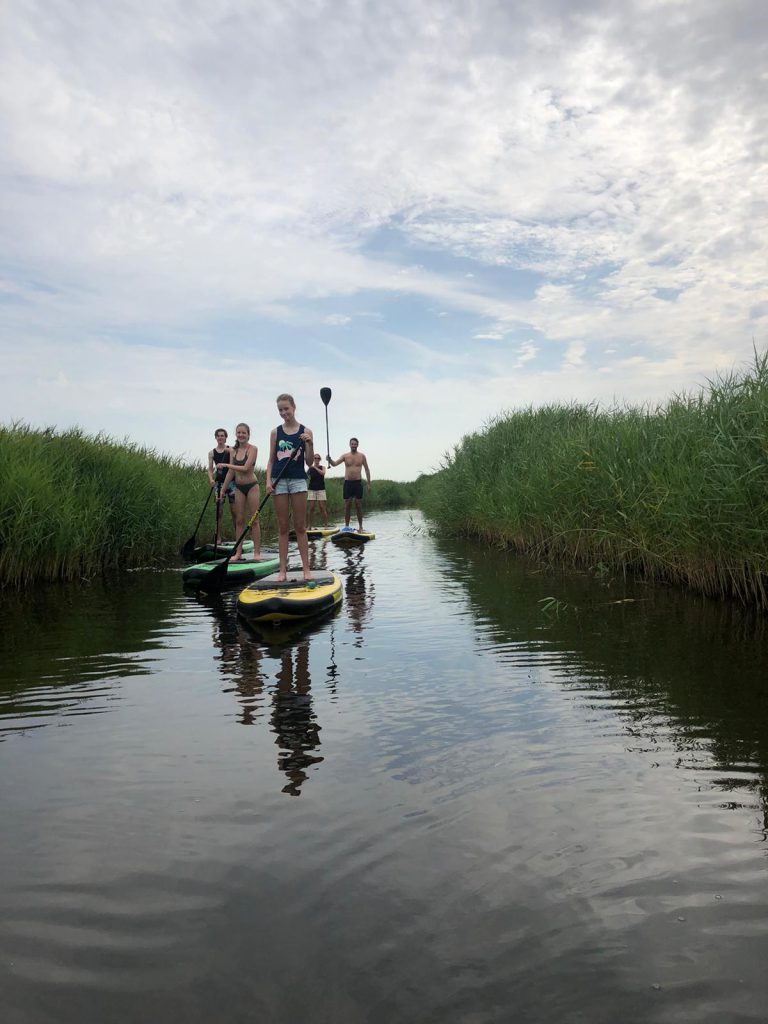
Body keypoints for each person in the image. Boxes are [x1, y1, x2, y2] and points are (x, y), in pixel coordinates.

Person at [265, 394, 314, 581]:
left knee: (300, 527)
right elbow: (271, 460)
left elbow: (309, 462)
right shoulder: (275, 432)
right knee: (283, 527)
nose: (284, 412)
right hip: (279, 480)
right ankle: (283, 571)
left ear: (294, 407)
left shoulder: (306, 431)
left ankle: (306, 570)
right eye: (280, 410)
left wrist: (309, 442)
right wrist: (268, 481)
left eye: (286, 408)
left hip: (298, 480)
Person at [218, 422, 260, 562]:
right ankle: (238, 553)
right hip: (239, 487)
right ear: (236, 434)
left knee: (254, 520)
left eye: (244, 433)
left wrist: (225, 464)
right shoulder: (233, 451)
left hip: (252, 486)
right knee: (239, 520)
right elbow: (231, 472)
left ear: (248, 434)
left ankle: (256, 553)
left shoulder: (253, 449)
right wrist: (223, 490)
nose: (241, 435)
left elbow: (246, 468)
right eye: (239, 433)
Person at [328, 437, 371, 532]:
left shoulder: (362, 456)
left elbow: (367, 469)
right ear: (350, 445)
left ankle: (360, 527)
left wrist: (368, 483)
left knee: (358, 504)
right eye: (352, 444)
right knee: (347, 505)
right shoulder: (345, 456)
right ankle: (347, 526)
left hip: (358, 482)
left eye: (355, 444)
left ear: (357, 445)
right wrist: (330, 460)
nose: (354, 445)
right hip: (348, 483)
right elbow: (334, 464)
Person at [207, 427, 236, 544]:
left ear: (225, 437)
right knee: (219, 513)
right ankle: (218, 538)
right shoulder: (211, 453)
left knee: (235, 512)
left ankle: (238, 538)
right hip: (219, 485)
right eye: (218, 436)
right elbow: (210, 469)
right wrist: (211, 479)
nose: (220, 437)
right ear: (215, 437)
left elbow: (234, 465)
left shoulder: (230, 450)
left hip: (232, 484)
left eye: (222, 436)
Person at [306, 453, 328, 527]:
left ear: (320, 459)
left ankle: (326, 525)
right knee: (311, 508)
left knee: (322, 508)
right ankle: (309, 526)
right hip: (312, 489)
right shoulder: (310, 468)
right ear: (313, 459)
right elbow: (306, 476)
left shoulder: (322, 467)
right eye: (315, 458)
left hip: (321, 489)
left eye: (318, 458)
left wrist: (314, 467)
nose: (316, 459)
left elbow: (323, 473)